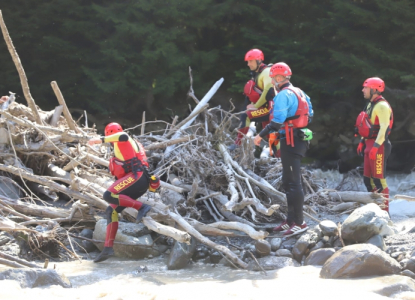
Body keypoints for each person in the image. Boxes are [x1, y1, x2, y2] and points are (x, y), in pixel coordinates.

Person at [254, 62, 313, 237]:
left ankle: (300, 223)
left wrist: (259, 136)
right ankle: (291, 220)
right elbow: (311, 114)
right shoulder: (300, 92)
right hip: (298, 139)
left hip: (291, 141)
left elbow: (276, 122)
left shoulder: (282, 95)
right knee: (289, 181)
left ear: (280, 78)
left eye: (273, 78)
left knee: (293, 183)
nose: (272, 81)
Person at [88, 122, 160, 262]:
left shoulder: (123, 139)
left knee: (108, 195)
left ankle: (142, 207)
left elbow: (123, 136)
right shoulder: (125, 144)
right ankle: (108, 249)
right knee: (111, 211)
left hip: (137, 177)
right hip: (137, 182)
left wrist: (100, 140)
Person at [355, 77, 393, 213]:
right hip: (369, 144)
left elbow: (384, 129)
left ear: (374, 90)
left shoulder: (382, 106)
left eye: (365, 88)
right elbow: (366, 125)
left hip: (379, 146)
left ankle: (385, 213)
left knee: (379, 181)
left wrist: (376, 147)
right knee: (367, 180)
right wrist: (361, 141)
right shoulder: (370, 104)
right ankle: (376, 209)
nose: (363, 90)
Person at [230, 49, 275, 156]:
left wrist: (255, 106)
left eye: (250, 61)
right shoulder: (258, 73)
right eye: (248, 61)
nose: (248, 64)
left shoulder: (266, 72)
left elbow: (267, 93)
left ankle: (237, 144)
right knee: (269, 132)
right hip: (267, 108)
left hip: (270, 108)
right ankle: (275, 155)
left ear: (259, 61)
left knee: (246, 115)